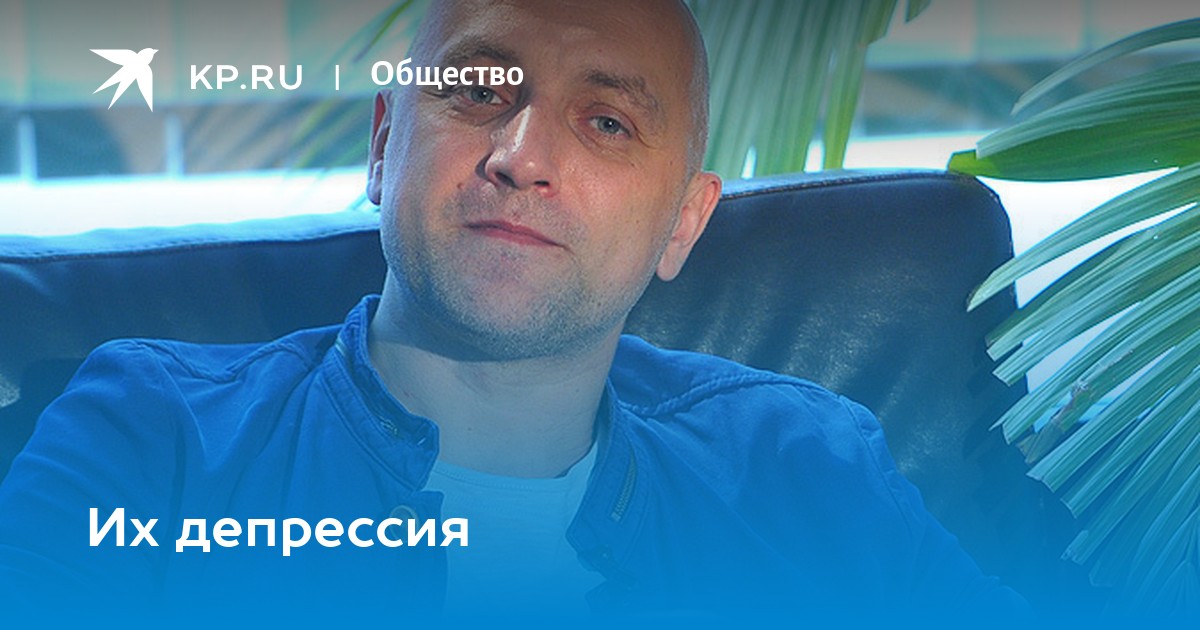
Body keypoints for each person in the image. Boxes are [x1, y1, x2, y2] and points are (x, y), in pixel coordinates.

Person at [0, 0, 1025, 620]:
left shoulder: (811, 471)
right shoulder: (151, 439)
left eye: (608, 122)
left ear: (683, 222)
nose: (524, 157)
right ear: (383, 147)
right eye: (480, 93)